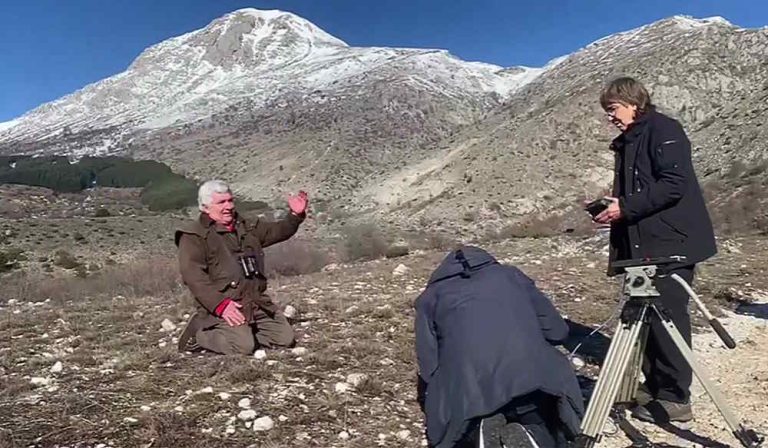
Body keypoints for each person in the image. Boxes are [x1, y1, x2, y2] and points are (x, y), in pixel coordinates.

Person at [593, 77, 717, 422]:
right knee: (645, 319)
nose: (610, 117)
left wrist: (626, 207)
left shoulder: (664, 129)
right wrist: (615, 208)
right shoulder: (629, 140)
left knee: (667, 320)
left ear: (633, 102)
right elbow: (643, 192)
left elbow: (674, 184)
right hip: (642, 245)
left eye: (613, 109)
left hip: (670, 244)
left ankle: (676, 398)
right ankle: (656, 386)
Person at [414, 246, 584, 448]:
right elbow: (557, 332)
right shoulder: (511, 276)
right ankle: (533, 432)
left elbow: (428, 366)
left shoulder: (430, 297)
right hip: (532, 380)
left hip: (470, 392)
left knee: (464, 416)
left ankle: (482, 428)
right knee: (542, 416)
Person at [175, 179, 308, 355]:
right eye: (221, 202)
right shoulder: (194, 236)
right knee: (243, 347)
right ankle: (200, 333)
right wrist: (220, 305)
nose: (228, 206)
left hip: (254, 301)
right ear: (205, 207)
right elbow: (193, 276)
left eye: (230, 200)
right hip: (224, 304)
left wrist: (294, 216)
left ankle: (245, 330)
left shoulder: (246, 226)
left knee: (283, 339)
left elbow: (277, 231)